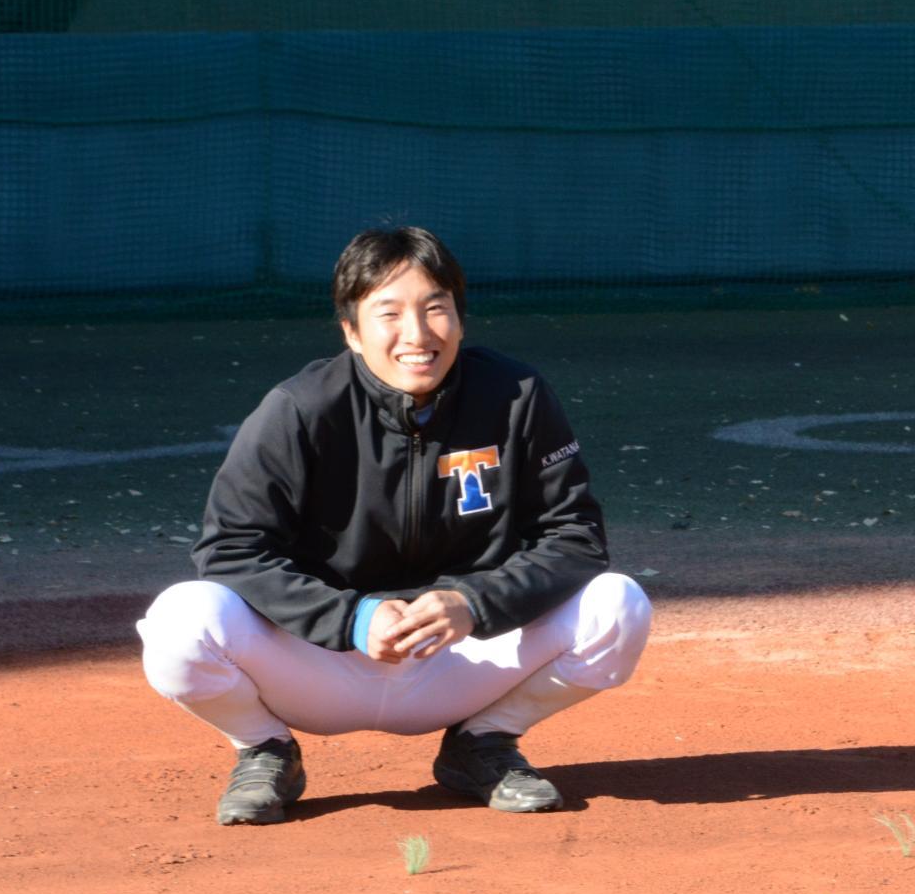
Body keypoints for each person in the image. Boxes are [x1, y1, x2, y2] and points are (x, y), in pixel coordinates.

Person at [137, 226, 652, 825]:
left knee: (618, 605)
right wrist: (351, 617)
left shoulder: (516, 395)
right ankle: (265, 749)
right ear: (352, 332)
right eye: (390, 312)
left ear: (459, 319)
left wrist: (472, 603)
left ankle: (483, 742)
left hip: (462, 658)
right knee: (181, 619)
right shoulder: (299, 409)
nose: (418, 334)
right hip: (319, 663)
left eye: (436, 308)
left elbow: (576, 537)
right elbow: (229, 550)